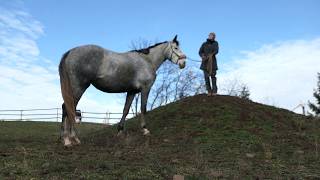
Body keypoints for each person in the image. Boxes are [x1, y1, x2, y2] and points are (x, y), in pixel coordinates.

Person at [199, 32, 219, 96]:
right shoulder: (204, 44)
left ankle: (214, 91)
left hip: (212, 63)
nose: (210, 36)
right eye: (209, 35)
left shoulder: (215, 43)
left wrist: (211, 55)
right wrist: (202, 55)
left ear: (214, 37)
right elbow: (200, 51)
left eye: (212, 35)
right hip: (205, 63)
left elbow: (216, 51)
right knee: (206, 77)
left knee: (213, 77)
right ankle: (209, 91)